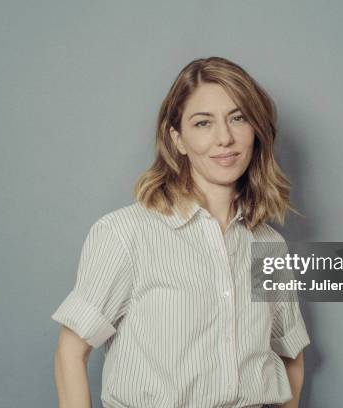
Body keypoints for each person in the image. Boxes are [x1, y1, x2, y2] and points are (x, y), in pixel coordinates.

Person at [51, 56, 310, 408]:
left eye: (238, 118)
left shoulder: (269, 246)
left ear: (257, 131)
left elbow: (290, 355)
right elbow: (71, 352)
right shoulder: (125, 234)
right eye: (203, 123)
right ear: (178, 139)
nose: (225, 138)